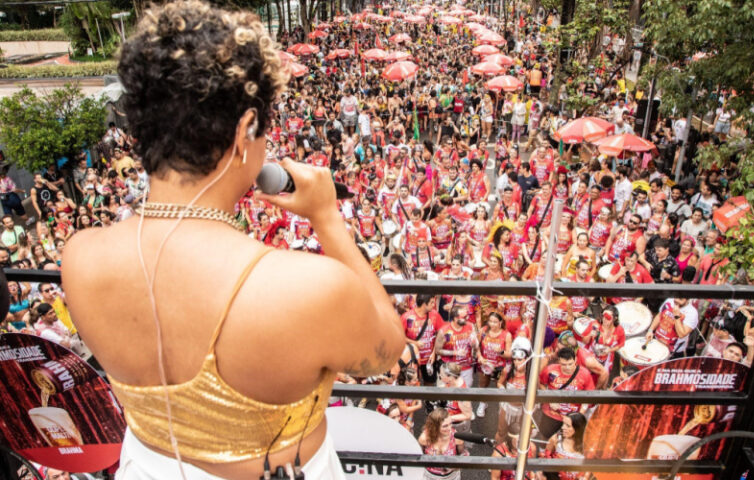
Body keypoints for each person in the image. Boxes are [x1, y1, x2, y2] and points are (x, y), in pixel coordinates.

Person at [61, 2, 404, 478]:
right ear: (245, 129)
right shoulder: (304, 287)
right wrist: (327, 218)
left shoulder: (80, 256)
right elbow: (387, 352)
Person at [535, 347, 595, 440]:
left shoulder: (585, 374)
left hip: (571, 419)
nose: (567, 367)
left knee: (568, 442)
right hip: (551, 415)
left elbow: (589, 396)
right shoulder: (550, 370)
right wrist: (549, 399)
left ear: (575, 360)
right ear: (559, 361)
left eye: (570, 364)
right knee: (545, 438)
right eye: (564, 364)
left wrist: (578, 416)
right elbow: (541, 384)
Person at [418, 408, 466, 480]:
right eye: (445, 426)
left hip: (451, 476)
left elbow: (463, 455)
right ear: (435, 426)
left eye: (450, 423)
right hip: (429, 476)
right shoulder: (425, 438)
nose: (449, 428)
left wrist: (454, 467)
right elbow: (418, 457)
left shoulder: (456, 437)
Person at [543, 412, 589, 480]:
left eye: (568, 425)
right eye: (563, 423)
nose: (563, 427)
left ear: (578, 428)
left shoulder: (588, 446)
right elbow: (545, 458)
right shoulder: (556, 439)